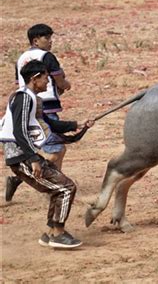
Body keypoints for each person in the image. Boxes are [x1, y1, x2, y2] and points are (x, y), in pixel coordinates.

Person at [0, 60, 94, 248]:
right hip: (22, 156)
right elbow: (19, 131)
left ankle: (51, 233)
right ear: (35, 79)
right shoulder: (23, 98)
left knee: (58, 188)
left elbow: (51, 125)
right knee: (65, 188)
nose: (48, 83)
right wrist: (34, 159)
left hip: (25, 155)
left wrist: (78, 125)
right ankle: (58, 234)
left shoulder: (32, 99)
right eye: (45, 78)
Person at [6, 24, 72, 202]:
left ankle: (25, 179)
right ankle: (53, 186)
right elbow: (59, 79)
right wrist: (66, 85)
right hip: (46, 106)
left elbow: (18, 83)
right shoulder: (46, 57)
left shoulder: (21, 59)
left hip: (28, 106)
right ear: (36, 40)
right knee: (55, 149)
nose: (50, 42)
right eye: (47, 38)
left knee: (56, 148)